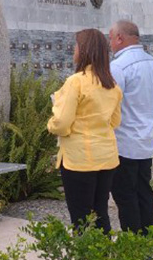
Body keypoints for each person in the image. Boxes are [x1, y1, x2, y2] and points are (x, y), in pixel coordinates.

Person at [47, 28, 122, 232]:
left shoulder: (76, 81)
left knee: (81, 217)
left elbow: (62, 124)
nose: (74, 50)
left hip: (79, 161)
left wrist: (50, 123)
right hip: (106, 158)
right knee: (100, 212)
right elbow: (115, 121)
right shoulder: (112, 85)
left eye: (77, 45)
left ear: (85, 50)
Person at [108, 20, 153, 235]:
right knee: (144, 193)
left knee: (125, 195)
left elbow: (110, 104)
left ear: (120, 38)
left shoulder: (118, 66)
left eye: (111, 38)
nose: (110, 43)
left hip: (124, 143)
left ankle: (132, 246)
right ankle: (147, 240)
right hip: (146, 141)